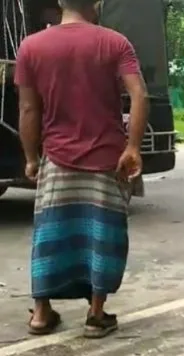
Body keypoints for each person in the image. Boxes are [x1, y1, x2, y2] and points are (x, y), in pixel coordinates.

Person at [15, 0, 148, 338]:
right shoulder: (115, 42)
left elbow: (29, 109)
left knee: (50, 234)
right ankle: (96, 314)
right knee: (102, 235)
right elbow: (139, 95)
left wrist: (31, 158)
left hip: (57, 157)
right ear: (98, 2)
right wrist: (132, 147)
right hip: (107, 159)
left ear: (60, 2)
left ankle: (42, 313)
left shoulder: (32, 46)